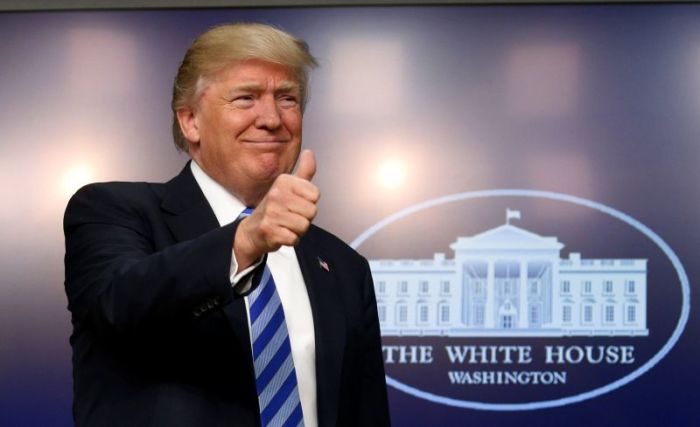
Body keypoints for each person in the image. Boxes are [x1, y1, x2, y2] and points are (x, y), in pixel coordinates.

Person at [63, 23, 389, 427]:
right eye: (246, 97)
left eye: (287, 98)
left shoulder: (342, 266)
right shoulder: (113, 211)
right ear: (190, 122)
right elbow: (120, 302)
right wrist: (246, 240)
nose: (271, 118)